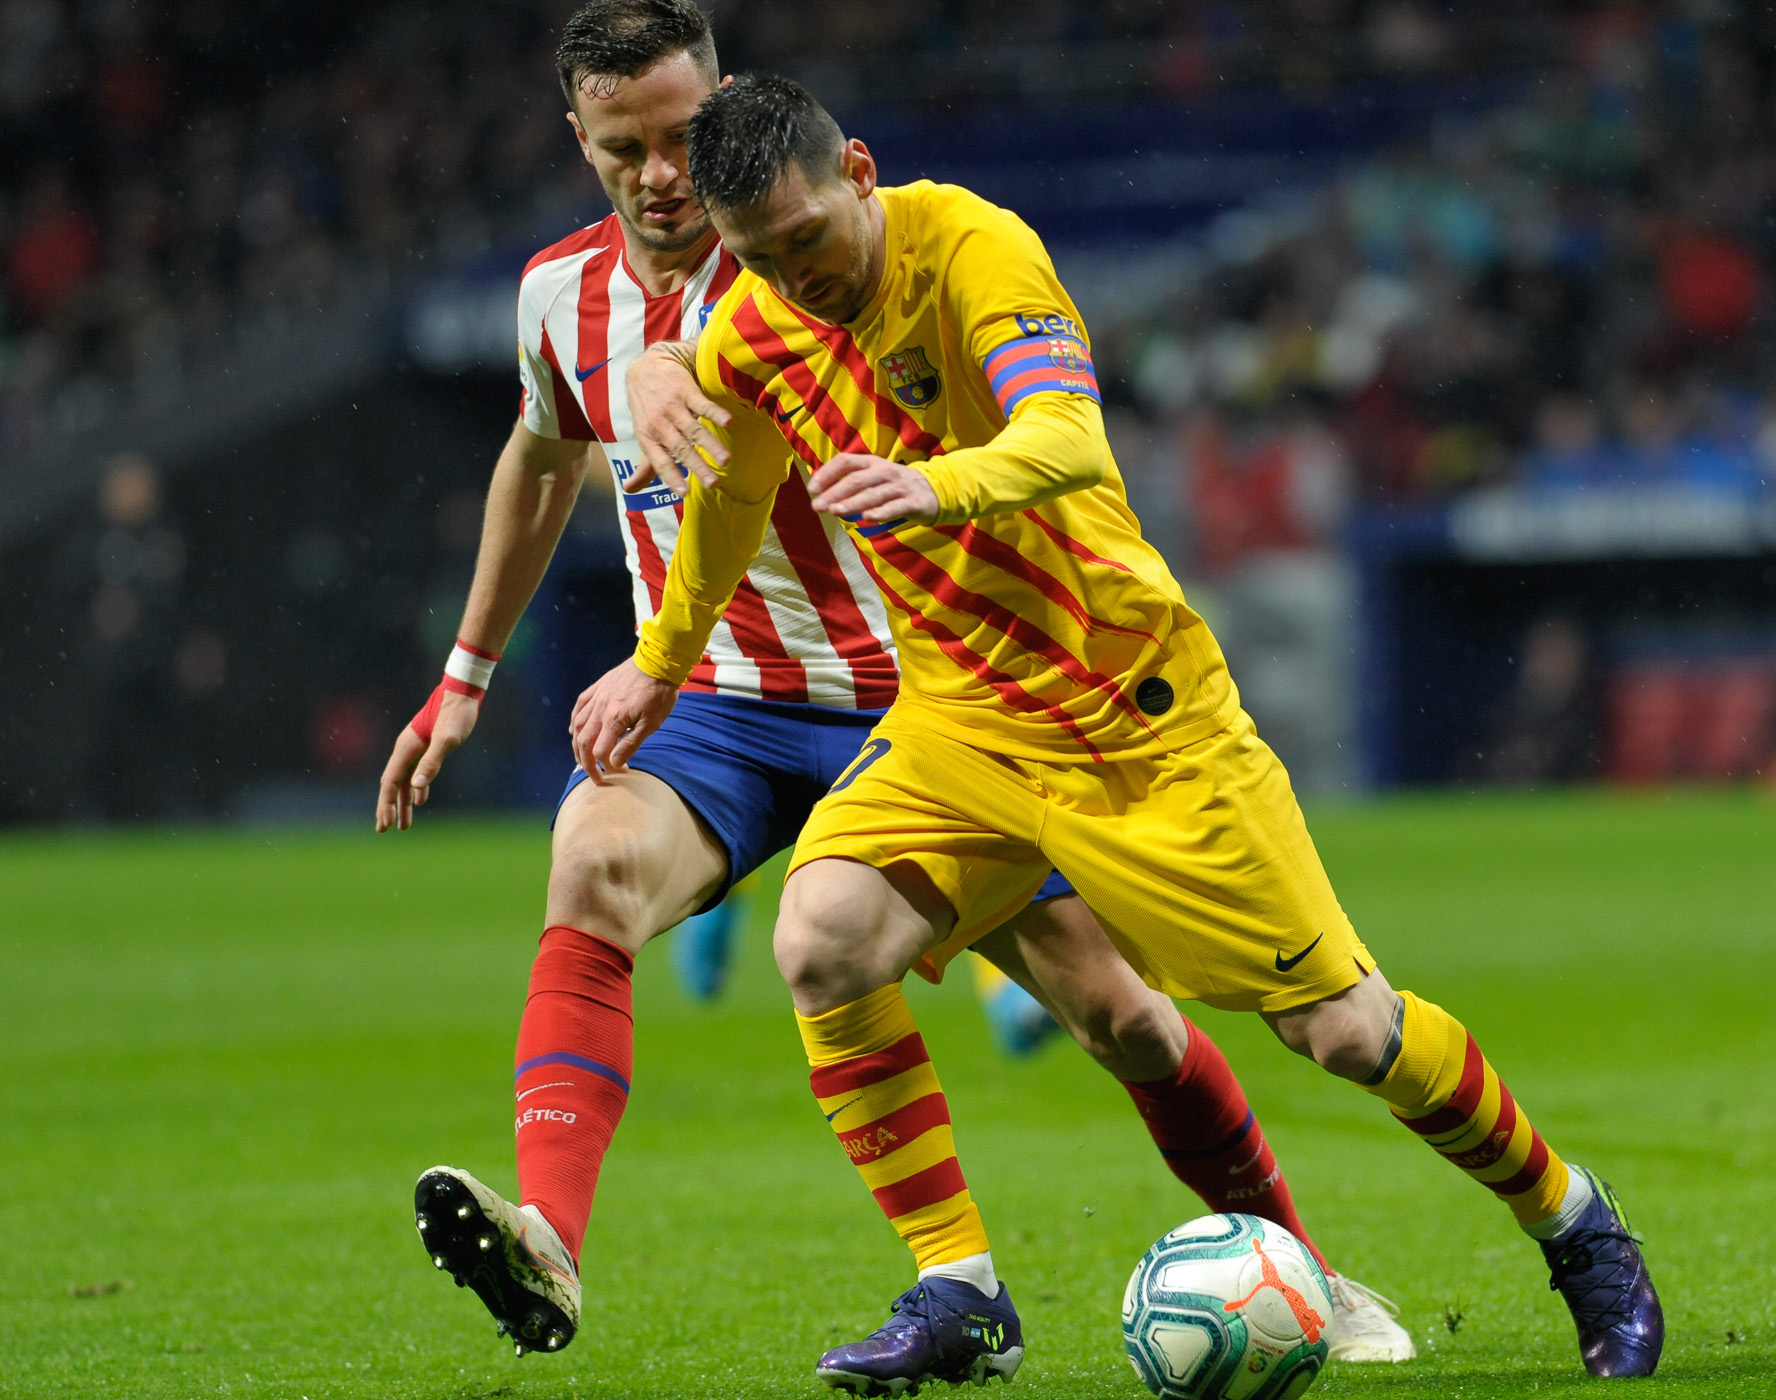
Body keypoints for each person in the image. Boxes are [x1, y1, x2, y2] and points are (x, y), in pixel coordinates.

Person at [577, 74, 1663, 1392]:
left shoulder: (974, 246)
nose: (794, 281)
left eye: (808, 242)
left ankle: (1576, 1227)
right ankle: (959, 1289)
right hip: (959, 721)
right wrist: (660, 662)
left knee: (1349, 1035)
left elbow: (1068, 438)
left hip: (1128, 711)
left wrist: (932, 487)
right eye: (759, 259)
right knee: (823, 939)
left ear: (859, 173)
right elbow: (732, 504)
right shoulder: (755, 327)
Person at [375, 0, 1411, 1368]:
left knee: (1116, 1012)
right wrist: (465, 675)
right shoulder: (556, 300)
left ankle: (1306, 1273)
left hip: (923, 696)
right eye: (624, 148)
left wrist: (680, 357)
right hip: (722, 704)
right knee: (590, 870)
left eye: (685, 136)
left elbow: (912, 364)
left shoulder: (816, 260)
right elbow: (541, 452)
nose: (661, 174)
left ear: (732, 108)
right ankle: (559, 1247)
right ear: (581, 140)